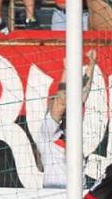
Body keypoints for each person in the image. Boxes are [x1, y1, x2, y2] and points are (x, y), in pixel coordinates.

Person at [39, 50, 97, 188]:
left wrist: (91, 65)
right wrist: (67, 70)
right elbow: (61, 101)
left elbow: (81, 97)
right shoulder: (48, 133)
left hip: (78, 194)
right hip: (55, 195)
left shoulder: (72, 136)